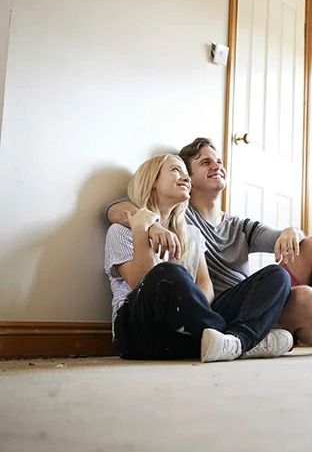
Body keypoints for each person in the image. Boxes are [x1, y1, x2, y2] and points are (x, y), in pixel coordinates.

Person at [107, 139, 312, 355]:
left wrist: (291, 231)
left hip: (235, 306)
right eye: (203, 163)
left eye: (219, 161)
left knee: (301, 257)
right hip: (194, 313)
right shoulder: (171, 215)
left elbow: (287, 239)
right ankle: (254, 340)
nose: (216, 166)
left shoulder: (226, 227)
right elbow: (119, 209)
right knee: (170, 274)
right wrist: (145, 224)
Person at [104, 153, 294, 363]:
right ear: (152, 182)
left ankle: (237, 340)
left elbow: (205, 284)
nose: (186, 178)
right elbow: (139, 283)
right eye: (176, 170)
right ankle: (245, 339)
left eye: (187, 173)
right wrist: (141, 229)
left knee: (276, 275)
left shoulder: (192, 234)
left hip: (188, 333)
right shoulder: (120, 231)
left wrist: (192, 311)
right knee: (169, 273)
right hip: (137, 336)